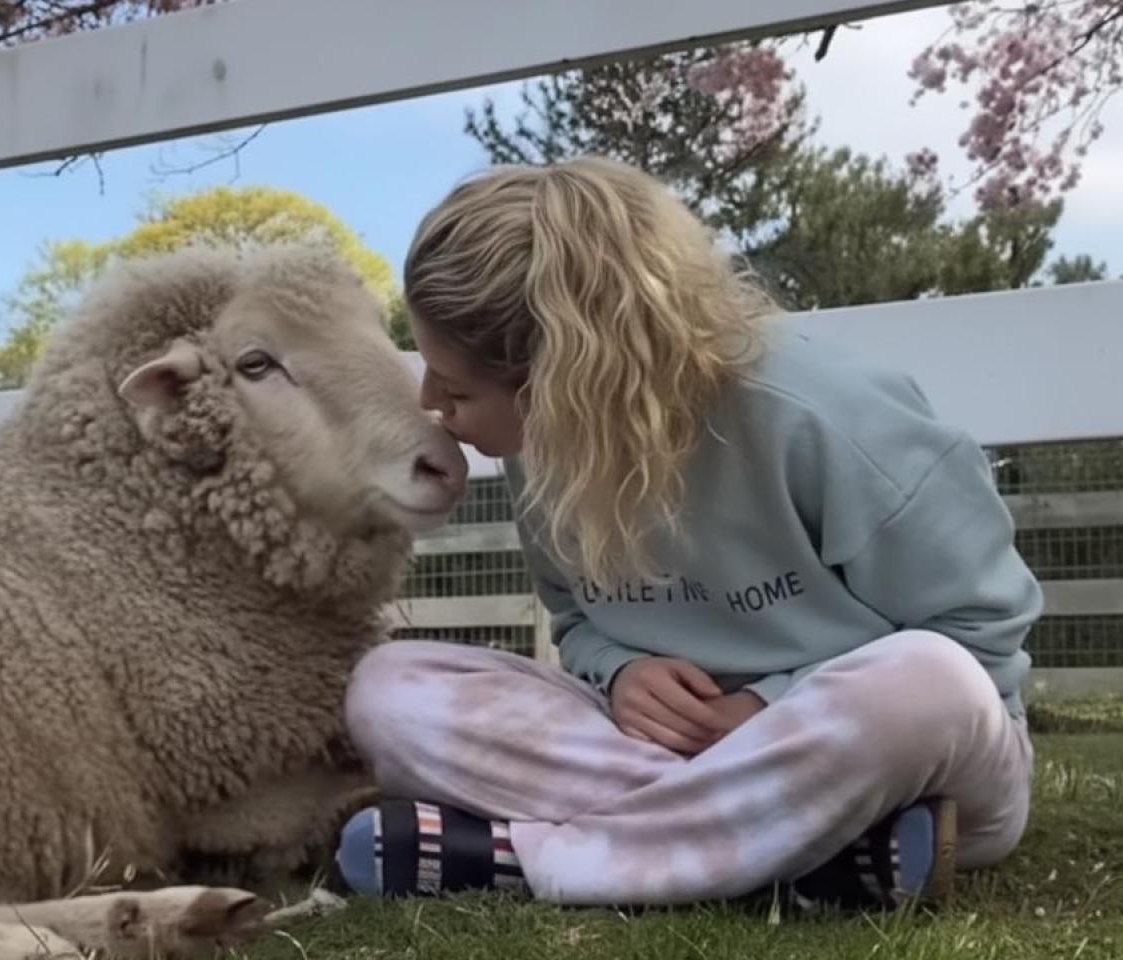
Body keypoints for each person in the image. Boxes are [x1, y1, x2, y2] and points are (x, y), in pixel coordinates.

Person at [333, 155, 1042, 910]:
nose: (429, 400)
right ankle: (811, 854)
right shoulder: (540, 447)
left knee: (929, 682)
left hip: (884, 755)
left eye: (455, 386)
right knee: (388, 690)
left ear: (568, 380)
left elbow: (980, 638)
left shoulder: (822, 415)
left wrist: (767, 706)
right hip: (661, 749)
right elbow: (578, 622)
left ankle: (536, 861)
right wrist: (620, 671)